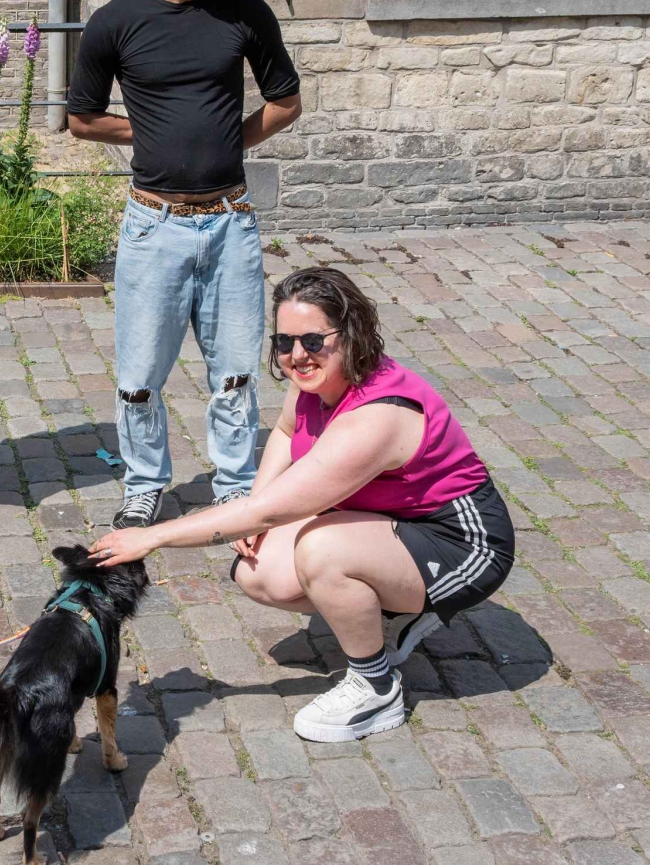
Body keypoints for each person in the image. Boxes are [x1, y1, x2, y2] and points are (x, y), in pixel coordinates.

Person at [88, 268, 516, 743]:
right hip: (393, 520)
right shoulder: (315, 379)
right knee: (260, 570)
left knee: (322, 550)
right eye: (284, 342)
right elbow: (288, 433)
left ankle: (375, 685)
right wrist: (257, 497)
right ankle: (389, 610)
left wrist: (153, 536)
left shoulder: (376, 417)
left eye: (313, 340)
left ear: (349, 334)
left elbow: (269, 513)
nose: (296, 356)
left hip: (463, 544)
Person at [67, 0, 302, 531]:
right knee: (139, 375)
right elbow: (82, 119)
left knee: (234, 373)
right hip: (154, 226)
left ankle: (232, 486)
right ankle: (144, 482)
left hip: (231, 224)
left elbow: (286, 101)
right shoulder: (116, 23)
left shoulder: (245, 15)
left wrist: (231, 138)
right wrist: (148, 130)